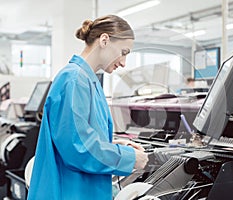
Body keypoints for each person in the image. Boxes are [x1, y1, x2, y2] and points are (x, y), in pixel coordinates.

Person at [27, 15, 149, 200]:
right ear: (104, 40)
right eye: (124, 52)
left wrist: (114, 144)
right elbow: (78, 149)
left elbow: (80, 135)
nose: (124, 62)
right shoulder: (74, 80)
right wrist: (129, 158)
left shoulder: (88, 80)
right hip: (69, 192)